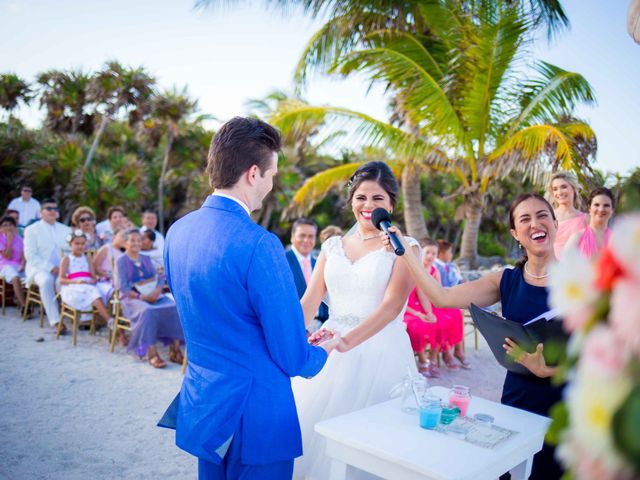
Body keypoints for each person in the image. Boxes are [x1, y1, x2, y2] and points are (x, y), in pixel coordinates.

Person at [162, 117, 335, 479]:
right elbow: (290, 356)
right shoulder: (260, 244)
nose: (271, 185)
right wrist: (321, 351)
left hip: (205, 401)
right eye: (272, 175)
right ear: (253, 173)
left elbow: (213, 315)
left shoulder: (177, 232)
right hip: (256, 413)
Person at [385, 193, 565, 479]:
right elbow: (442, 297)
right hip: (517, 400)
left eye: (542, 215)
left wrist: (551, 370)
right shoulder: (505, 279)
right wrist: (408, 254)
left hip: (566, 403)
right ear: (515, 233)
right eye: (525, 219)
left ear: (555, 223)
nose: (535, 224)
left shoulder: (583, 280)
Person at [292, 161, 420, 479]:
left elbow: (391, 307)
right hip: (329, 348)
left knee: (370, 444)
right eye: (361, 197)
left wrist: (345, 341)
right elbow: (309, 301)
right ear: (351, 200)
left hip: (380, 350)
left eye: (378, 198)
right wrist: (283, 333)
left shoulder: (406, 248)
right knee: (311, 435)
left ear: (391, 204)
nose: (368, 205)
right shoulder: (332, 246)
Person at [115, 228, 184, 368]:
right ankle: (151, 352)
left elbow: (158, 278)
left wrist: (157, 291)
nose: (136, 243)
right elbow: (123, 286)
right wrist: (142, 296)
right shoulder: (121, 261)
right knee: (148, 311)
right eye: (132, 240)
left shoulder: (146, 258)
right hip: (133, 298)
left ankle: (175, 349)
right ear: (125, 243)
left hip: (153, 295)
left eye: (138, 240)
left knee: (174, 307)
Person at [404, 240, 467, 377]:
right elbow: (420, 295)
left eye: (434, 253)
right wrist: (427, 313)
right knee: (423, 325)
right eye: (427, 252)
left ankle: (434, 358)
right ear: (421, 253)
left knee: (450, 318)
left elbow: (437, 292)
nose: (430, 256)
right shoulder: (416, 269)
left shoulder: (434, 270)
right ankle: (422, 360)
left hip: (429, 303)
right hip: (414, 306)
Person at [23, 199, 71, 328]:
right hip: (39, 269)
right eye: (49, 209)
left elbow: (71, 250)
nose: (53, 211)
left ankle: (76, 314)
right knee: (46, 281)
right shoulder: (31, 230)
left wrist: (63, 267)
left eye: (55, 209)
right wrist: (51, 268)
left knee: (66, 280)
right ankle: (55, 321)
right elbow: (31, 256)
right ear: (41, 212)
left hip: (63, 267)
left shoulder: (65, 229)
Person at [58, 230, 112, 329]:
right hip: (73, 286)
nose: (80, 246)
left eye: (83, 244)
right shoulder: (66, 259)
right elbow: (61, 279)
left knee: (102, 290)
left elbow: (93, 276)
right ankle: (109, 320)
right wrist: (75, 281)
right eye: (77, 243)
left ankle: (99, 319)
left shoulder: (87, 258)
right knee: (93, 292)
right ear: (70, 244)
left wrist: (93, 280)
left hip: (87, 285)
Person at [285, 218, 328, 332]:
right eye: (302, 235)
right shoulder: (282, 261)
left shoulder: (318, 263)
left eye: (311, 236)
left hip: (321, 327)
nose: (306, 240)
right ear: (292, 237)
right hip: (295, 328)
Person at [434, 239, 470, 369]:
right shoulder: (436, 266)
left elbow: (457, 279)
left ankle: (457, 351)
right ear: (440, 254)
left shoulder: (451, 266)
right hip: (441, 301)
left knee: (457, 313)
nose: (451, 255)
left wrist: (463, 281)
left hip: (453, 299)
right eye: (449, 252)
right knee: (452, 316)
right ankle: (447, 352)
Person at [566, 187, 615, 259]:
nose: (601, 209)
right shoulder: (577, 238)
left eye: (606, 205)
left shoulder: (617, 239)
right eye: (596, 205)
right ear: (589, 208)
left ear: (612, 210)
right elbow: (564, 266)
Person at [546, 172, 587, 258]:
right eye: (555, 189)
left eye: (564, 187)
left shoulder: (586, 219)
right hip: (551, 268)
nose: (559, 192)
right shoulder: (548, 216)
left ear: (573, 188)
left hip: (577, 268)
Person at [93, 228, 126, 304]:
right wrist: (109, 275)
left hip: (119, 280)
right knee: (115, 292)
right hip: (105, 280)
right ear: (114, 236)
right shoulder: (106, 248)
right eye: (122, 236)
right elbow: (96, 267)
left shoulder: (124, 253)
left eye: (126, 238)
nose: (124, 239)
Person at [0, 215, 25, 309]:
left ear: (15, 227)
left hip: (19, 265)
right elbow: (8, 256)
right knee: (15, 277)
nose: (8, 227)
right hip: (5, 265)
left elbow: (23, 255)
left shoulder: (19, 239)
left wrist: (22, 264)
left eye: (10, 224)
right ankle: (24, 306)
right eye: (4, 225)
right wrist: (9, 241)